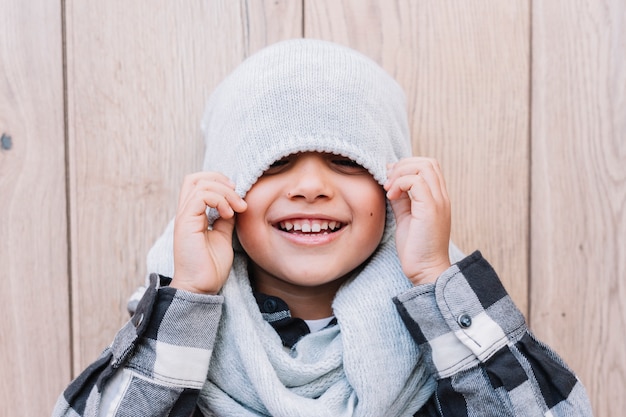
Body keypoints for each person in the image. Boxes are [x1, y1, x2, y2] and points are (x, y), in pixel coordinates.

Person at [53, 39, 593, 416]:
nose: (310, 186)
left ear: (393, 186)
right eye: (274, 163)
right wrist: (189, 294)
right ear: (225, 188)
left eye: (347, 162)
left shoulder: (447, 333)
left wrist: (435, 276)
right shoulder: (173, 335)